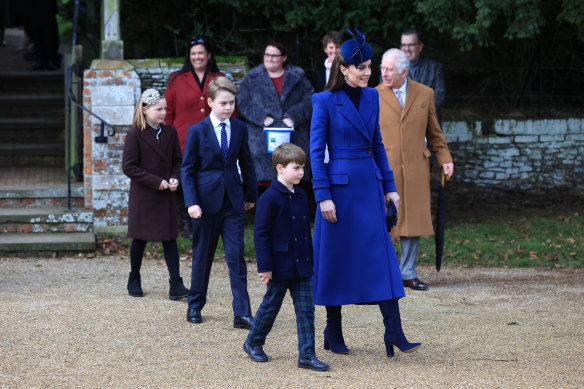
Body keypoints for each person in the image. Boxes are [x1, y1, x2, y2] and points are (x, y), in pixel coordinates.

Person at [310, 29, 420, 357]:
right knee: (335, 260)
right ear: (344, 69)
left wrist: (390, 188)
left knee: (381, 258)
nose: (369, 72)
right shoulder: (324, 100)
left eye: (370, 66)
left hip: (369, 188)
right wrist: (323, 195)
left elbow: (377, 145)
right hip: (338, 194)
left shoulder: (373, 96)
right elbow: (316, 153)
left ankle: (395, 331)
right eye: (362, 67)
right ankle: (333, 331)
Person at [243, 143, 329, 371]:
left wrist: (311, 259)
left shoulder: (301, 194)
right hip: (279, 265)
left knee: (306, 309)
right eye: (296, 168)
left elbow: (303, 232)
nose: (301, 172)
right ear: (280, 168)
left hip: (302, 265)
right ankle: (253, 342)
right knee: (271, 306)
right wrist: (265, 267)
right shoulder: (268, 198)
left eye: (303, 168)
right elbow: (260, 235)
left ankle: (307, 355)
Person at [181, 77, 258, 328]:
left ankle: (242, 313)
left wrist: (250, 194)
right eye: (224, 103)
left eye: (232, 103)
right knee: (203, 256)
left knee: (236, 258)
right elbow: (188, 169)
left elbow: (247, 163)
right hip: (204, 204)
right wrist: (191, 202)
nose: (228, 108)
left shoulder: (239, 128)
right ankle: (195, 305)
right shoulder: (196, 131)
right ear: (210, 102)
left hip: (233, 203)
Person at [376, 48, 454, 291]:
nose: (384, 73)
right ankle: (383, 273)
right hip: (384, 168)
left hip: (416, 168)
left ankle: (408, 272)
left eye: (389, 69)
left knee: (413, 221)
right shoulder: (372, 95)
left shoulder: (424, 93)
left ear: (404, 71)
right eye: (382, 68)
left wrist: (445, 158)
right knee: (382, 220)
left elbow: (434, 132)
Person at [121, 88, 190, 300]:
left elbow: (178, 160)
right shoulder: (135, 134)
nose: (163, 113)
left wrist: (174, 177)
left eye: (165, 109)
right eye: (158, 109)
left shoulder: (169, 132)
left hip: (167, 194)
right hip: (145, 195)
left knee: (170, 239)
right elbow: (129, 167)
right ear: (144, 109)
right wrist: (155, 181)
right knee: (139, 240)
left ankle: (176, 284)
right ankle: (134, 277)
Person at [165, 38, 225, 240]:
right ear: (189, 57)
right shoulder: (177, 79)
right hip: (183, 139)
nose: (197, 57)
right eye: (193, 53)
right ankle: (186, 222)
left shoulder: (219, 78)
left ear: (208, 55)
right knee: (184, 180)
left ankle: (207, 221)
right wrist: (167, 138)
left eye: (201, 53)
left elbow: (228, 110)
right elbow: (168, 113)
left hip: (213, 139)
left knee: (208, 179)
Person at [236, 41, 314, 184]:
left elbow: (310, 99)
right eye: (267, 55)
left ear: (284, 58)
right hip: (261, 143)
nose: (269, 59)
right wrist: (261, 116)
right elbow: (242, 100)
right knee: (264, 188)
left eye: (274, 56)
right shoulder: (252, 78)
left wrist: (294, 115)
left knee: (295, 184)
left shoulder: (298, 76)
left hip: (294, 140)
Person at [400, 29, 446, 123]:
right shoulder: (390, 69)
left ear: (420, 47)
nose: (407, 49)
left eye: (411, 45)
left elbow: (439, 98)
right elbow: (386, 97)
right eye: (404, 45)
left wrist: (415, 113)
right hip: (401, 127)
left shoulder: (435, 68)